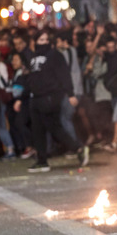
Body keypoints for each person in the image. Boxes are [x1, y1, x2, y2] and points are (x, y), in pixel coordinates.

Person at [13, 29, 90, 172]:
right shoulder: (34, 57)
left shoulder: (55, 55)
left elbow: (64, 75)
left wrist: (70, 93)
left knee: (54, 127)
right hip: (36, 98)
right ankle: (42, 160)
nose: (44, 43)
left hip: (50, 96)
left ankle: (78, 148)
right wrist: (21, 98)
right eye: (41, 40)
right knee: (38, 130)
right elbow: (31, 80)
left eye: (46, 40)